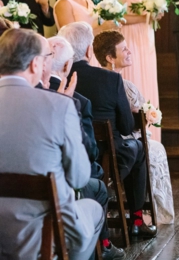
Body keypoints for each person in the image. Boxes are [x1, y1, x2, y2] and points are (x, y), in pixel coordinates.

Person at [0, 29, 103, 260]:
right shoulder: (59, 105)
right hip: (42, 233)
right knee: (94, 210)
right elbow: (79, 178)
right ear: (36, 64)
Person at [58, 22, 157, 239]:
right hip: (110, 160)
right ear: (88, 50)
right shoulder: (111, 79)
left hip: (67, 161)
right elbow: (126, 126)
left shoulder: (57, 80)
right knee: (139, 148)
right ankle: (137, 220)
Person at [45, 35, 125, 260]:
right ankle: (104, 246)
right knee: (97, 184)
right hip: (59, 191)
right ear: (68, 65)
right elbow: (88, 155)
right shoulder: (74, 101)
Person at [92, 30, 175, 225]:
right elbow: (128, 126)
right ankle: (140, 216)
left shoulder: (96, 81)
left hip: (102, 145)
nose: (130, 52)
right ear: (110, 57)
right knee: (147, 149)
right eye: (124, 49)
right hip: (119, 146)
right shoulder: (120, 84)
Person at [112, 0, 163, 141]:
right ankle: (131, 133)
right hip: (130, 36)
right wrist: (145, 18)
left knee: (147, 77)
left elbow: (150, 17)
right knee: (134, 75)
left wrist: (157, 14)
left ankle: (151, 132)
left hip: (146, 38)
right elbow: (117, 17)